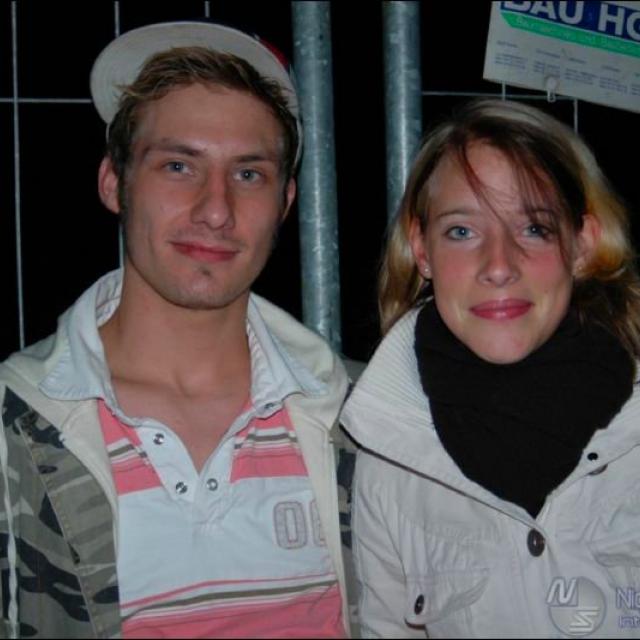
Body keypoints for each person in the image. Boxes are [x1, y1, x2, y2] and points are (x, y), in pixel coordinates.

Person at [0, 21, 351, 638]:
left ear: (286, 202)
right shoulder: (16, 427)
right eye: (178, 165)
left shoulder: (361, 424)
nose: (216, 210)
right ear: (114, 183)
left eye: (249, 174)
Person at [340, 98, 640, 637]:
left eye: (534, 229)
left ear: (582, 244)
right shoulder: (389, 452)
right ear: (422, 250)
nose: (499, 266)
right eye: (462, 231)